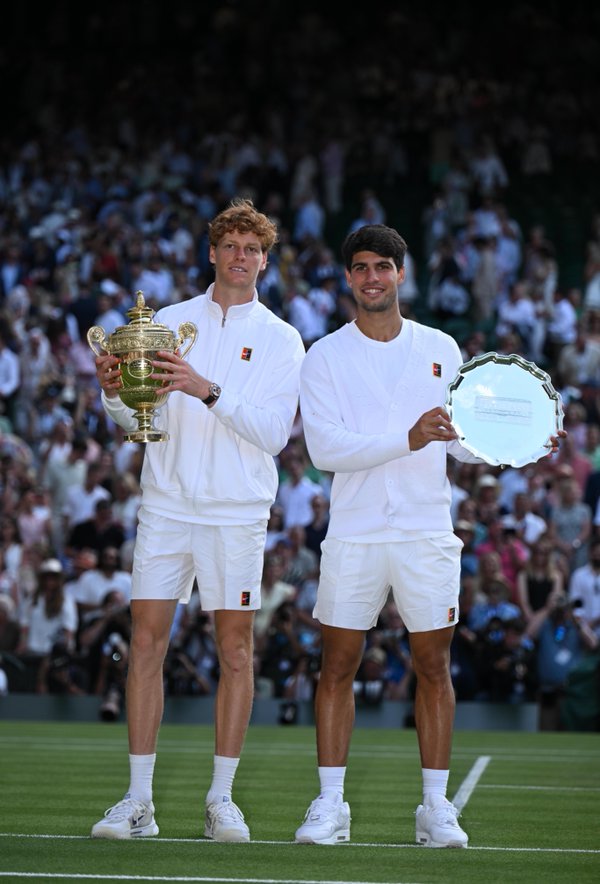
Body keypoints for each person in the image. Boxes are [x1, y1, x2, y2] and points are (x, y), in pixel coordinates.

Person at [294, 223, 564, 849]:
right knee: (337, 666)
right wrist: (408, 439)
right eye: (360, 267)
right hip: (355, 532)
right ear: (347, 278)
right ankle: (330, 806)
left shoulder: (441, 346)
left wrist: (520, 445)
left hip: (425, 531)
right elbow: (325, 449)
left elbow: (463, 442)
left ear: (401, 273)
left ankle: (435, 809)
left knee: (433, 666)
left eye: (382, 266)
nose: (371, 277)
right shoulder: (324, 356)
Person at [90, 198, 305, 841]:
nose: (240, 258)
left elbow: (272, 434)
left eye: (252, 249)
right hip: (165, 505)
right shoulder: (165, 323)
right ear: (212, 252)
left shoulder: (282, 338)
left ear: (265, 260)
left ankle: (221, 801)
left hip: (236, 514)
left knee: (236, 651)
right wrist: (111, 392)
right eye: (230, 246)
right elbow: (138, 424)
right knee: (146, 645)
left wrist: (204, 387)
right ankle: (138, 803)